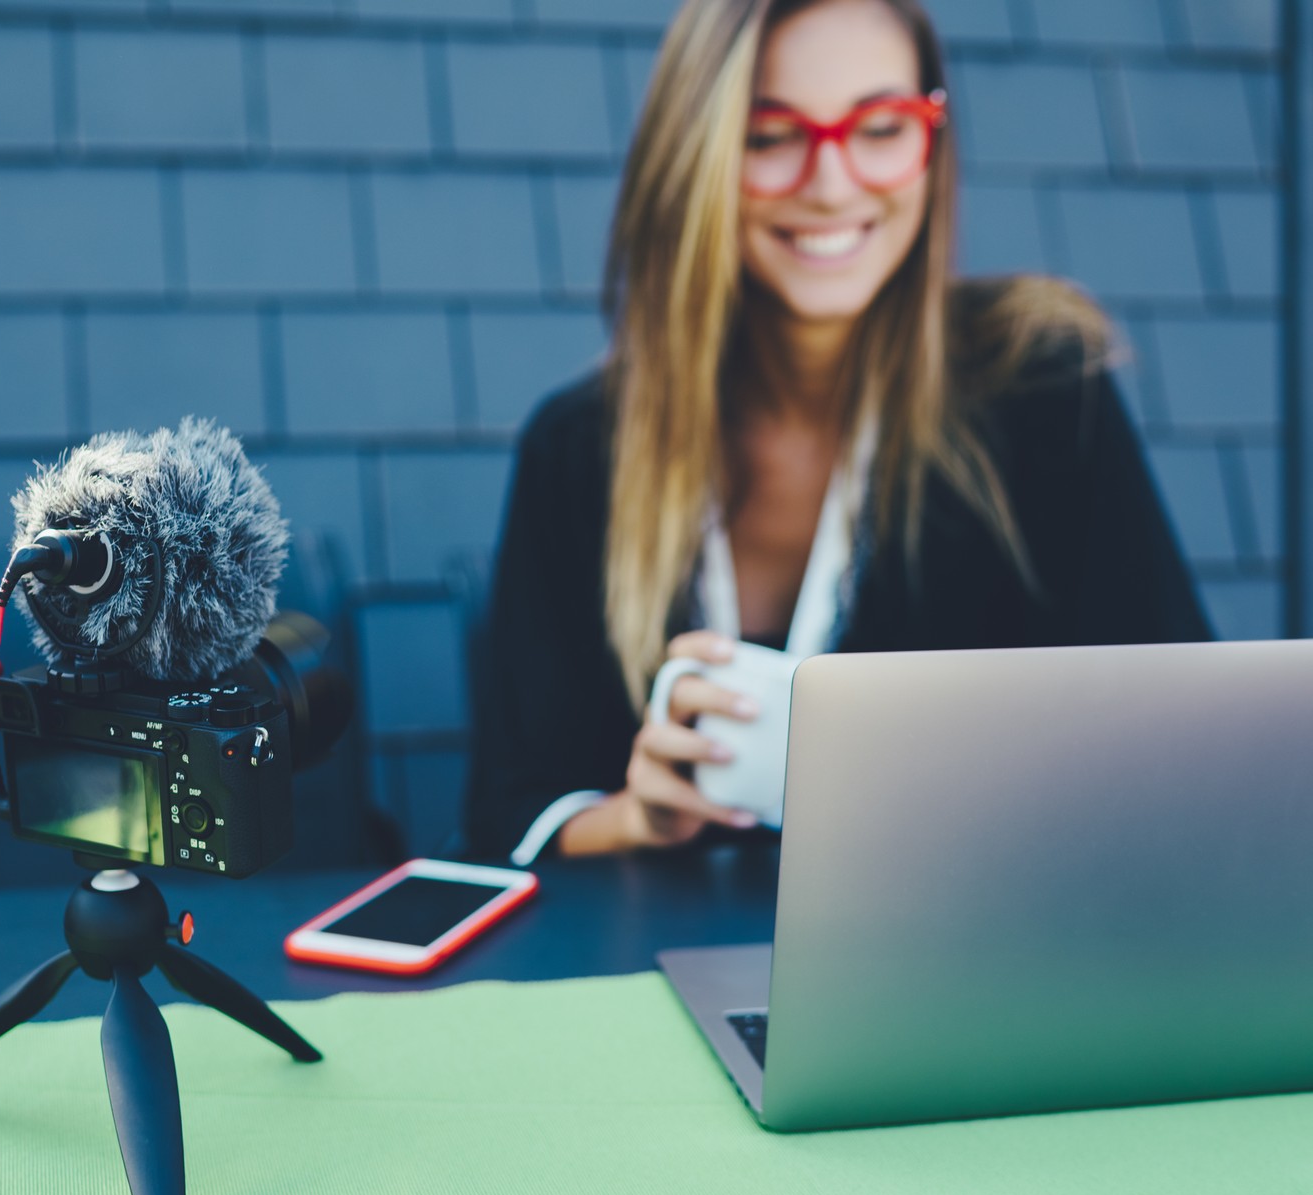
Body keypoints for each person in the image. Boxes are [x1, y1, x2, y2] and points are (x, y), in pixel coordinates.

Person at [465, 0, 1210, 863]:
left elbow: (1185, 745)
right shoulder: (579, 447)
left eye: (881, 125)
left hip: (964, 968)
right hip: (653, 972)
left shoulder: (1041, 394)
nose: (831, 181)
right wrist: (638, 815)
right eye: (772, 135)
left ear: (931, 142)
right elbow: (506, 813)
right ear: (696, 156)